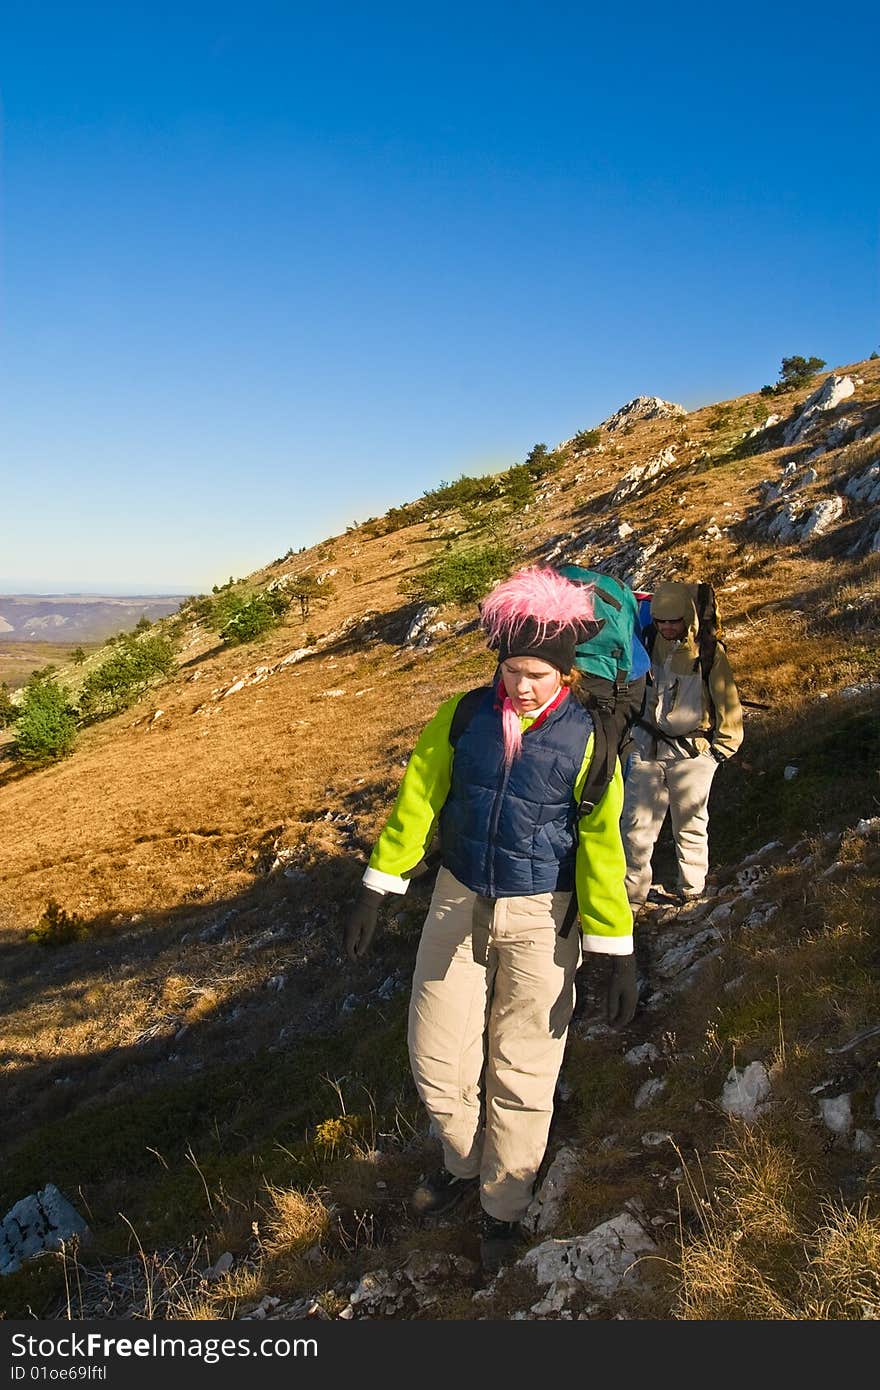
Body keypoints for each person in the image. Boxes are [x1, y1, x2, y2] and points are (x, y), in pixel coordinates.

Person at [343, 565, 636, 1276]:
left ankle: (503, 1211)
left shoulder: (588, 740)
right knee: (436, 1057)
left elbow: (602, 846)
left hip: (545, 916)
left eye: (539, 674)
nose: (524, 687)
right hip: (456, 899)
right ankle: (465, 1160)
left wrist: (616, 947)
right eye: (514, 671)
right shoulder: (464, 716)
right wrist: (379, 886)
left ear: (565, 673)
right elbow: (418, 800)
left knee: (523, 1069)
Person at [621, 580, 743, 911]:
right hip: (647, 748)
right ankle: (632, 898)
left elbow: (727, 702)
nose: (666, 627)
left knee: (689, 825)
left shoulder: (708, 652)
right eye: (660, 621)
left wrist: (720, 751)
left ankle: (691, 892)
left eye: (673, 621)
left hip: (693, 754)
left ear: (686, 617)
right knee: (635, 827)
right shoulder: (646, 643)